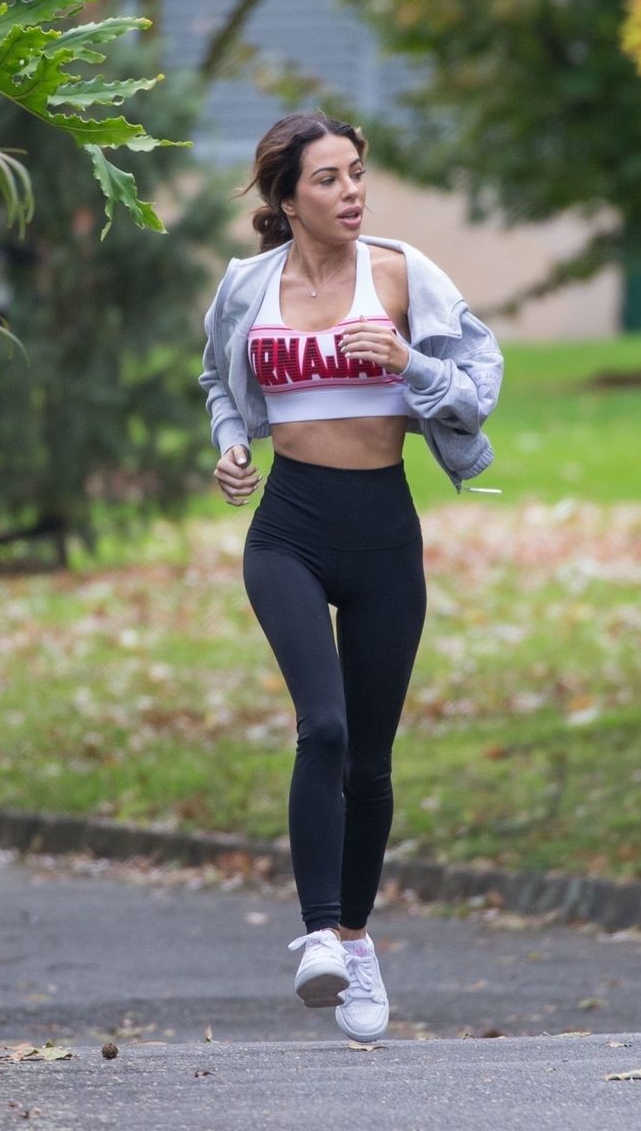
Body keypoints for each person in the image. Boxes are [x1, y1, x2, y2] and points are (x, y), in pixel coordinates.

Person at [199, 111, 502, 1042]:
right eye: (328, 179)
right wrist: (230, 445)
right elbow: (218, 383)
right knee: (322, 727)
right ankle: (319, 936)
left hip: (382, 533)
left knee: (369, 759)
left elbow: (478, 390)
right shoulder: (248, 285)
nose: (352, 192)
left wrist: (409, 363)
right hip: (287, 530)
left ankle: (358, 940)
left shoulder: (404, 275)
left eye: (357, 173)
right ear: (287, 198)